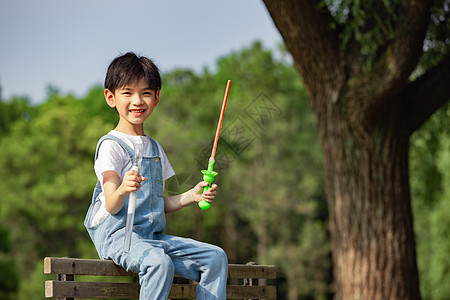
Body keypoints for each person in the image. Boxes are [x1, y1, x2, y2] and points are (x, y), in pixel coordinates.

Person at [84, 52, 228, 299]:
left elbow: (157, 204)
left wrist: (191, 196)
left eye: (146, 93)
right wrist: (122, 189)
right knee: (159, 263)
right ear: (111, 97)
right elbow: (111, 203)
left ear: (156, 97)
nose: (137, 101)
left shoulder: (155, 148)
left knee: (215, 258)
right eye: (127, 93)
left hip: (151, 238)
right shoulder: (111, 145)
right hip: (120, 236)